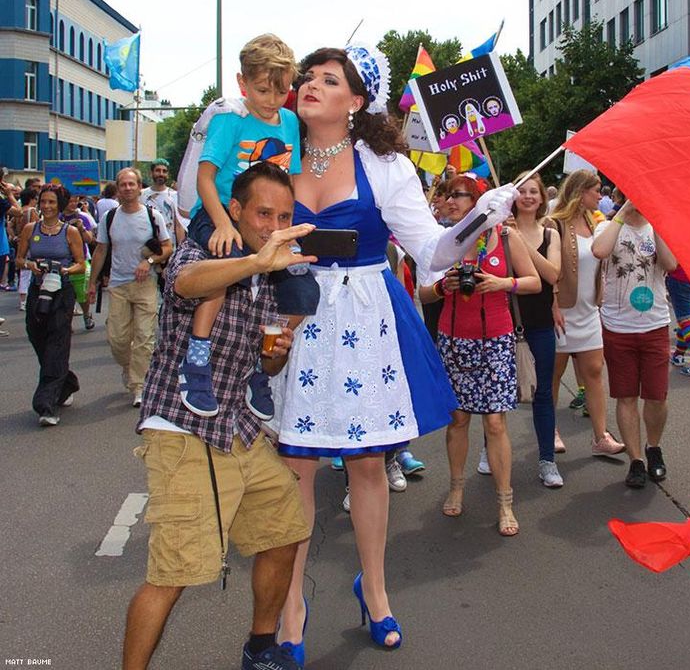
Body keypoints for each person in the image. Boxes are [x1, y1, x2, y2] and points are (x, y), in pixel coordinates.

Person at [201, 44, 515, 659]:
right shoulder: (271, 146)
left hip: (362, 320)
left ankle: (374, 590)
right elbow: (218, 210)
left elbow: (433, 253)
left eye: (328, 79)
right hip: (287, 316)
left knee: (368, 465)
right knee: (296, 468)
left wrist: (480, 217)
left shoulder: (385, 163)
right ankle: (290, 605)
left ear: (357, 100)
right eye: (309, 77)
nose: (311, 86)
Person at [123, 163, 314, 670]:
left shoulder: (277, 276)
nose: (274, 226)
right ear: (235, 211)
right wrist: (255, 261)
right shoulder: (209, 250)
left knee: (285, 531)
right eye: (263, 213)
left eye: (284, 216)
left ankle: (260, 646)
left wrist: (277, 351)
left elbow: (270, 359)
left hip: (241, 429)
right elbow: (186, 283)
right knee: (173, 574)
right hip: (184, 431)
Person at [181, 34, 304, 420]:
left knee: (304, 287)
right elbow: (205, 178)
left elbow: (291, 183)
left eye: (281, 91)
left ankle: (258, 365)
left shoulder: (289, 122)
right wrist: (221, 224)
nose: (271, 99)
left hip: (265, 224)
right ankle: (196, 358)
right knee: (226, 267)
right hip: (220, 214)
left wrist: (288, 233)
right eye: (263, 89)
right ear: (242, 83)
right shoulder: (230, 121)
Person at [419, 175, 540, 533]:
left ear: (479, 202)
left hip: (496, 339)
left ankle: (505, 502)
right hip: (454, 340)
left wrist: (503, 284)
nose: (450, 201)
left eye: (458, 195)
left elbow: (534, 280)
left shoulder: (504, 235)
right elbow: (425, 294)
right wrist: (444, 286)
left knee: (495, 422)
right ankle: (456, 489)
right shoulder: (444, 242)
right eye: (448, 195)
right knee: (458, 419)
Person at [592, 199, 678, 487]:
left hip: (654, 323)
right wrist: (622, 214)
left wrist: (659, 221)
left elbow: (670, 264)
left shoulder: (658, 227)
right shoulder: (608, 226)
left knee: (657, 396)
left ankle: (654, 448)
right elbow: (599, 251)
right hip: (618, 326)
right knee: (626, 395)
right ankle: (636, 459)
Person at [549, 169, 626, 457]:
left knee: (594, 372)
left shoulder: (596, 223)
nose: (600, 195)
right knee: (553, 376)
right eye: (595, 190)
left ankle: (600, 436)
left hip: (589, 310)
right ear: (581, 192)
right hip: (562, 312)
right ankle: (550, 430)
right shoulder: (554, 224)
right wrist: (553, 304)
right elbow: (549, 270)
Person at [87, 168, 173, 407]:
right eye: (123, 184)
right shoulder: (110, 218)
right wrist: (92, 283)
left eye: (131, 184)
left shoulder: (152, 216)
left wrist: (150, 262)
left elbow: (167, 247)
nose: (127, 188)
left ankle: (140, 386)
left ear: (139, 187)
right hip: (118, 284)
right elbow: (101, 250)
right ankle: (128, 367)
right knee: (118, 339)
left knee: (145, 337)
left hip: (146, 284)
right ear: (118, 188)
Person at [14, 184, 85, 425]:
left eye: (52, 202)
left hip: (61, 292)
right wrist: (30, 265)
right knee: (37, 336)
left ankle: (46, 405)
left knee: (57, 343)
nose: (46, 206)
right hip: (38, 289)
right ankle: (67, 382)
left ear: (60, 205)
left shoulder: (69, 232)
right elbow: (19, 258)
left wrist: (64, 269)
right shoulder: (29, 229)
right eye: (43, 201)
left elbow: (80, 263)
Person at [510, 171, 564, 487]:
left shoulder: (551, 233)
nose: (528, 196)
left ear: (542, 198)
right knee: (501, 393)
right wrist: (510, 236)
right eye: (522, 191)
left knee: (543, 393)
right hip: (507, 322)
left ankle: (547, 461)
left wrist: (520, 243)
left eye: (534, 191)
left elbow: (552, 274)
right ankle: (492, 452)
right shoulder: (500, 231)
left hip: (541, 323)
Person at [61, 193, 97, 330]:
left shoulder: (82, 217)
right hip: (63, 260)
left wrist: (81, 228)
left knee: (82, 294)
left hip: (79, 260)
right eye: (70, 201)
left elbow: (90, 239)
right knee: (64, 294)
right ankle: (66, 321)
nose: (73, 204)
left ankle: (86, 314)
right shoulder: (57, 218)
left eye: (75, 201)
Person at [141, 158, 186, 247]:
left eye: (164, 171)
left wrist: (181, 248)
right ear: (151, 173)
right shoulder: (141, 195)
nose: (161, 174)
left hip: (169, 247)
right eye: (158, 171)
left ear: (168, 175)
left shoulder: (175, 196)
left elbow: (179, 226)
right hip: (145, 246)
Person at [11, 186, 38, 311]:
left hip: (19, 242)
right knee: (32, 269)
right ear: (32, 199)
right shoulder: (32, 211)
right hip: (30, 243)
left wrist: (15, 236)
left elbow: (9, 225)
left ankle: (22, 300)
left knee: (23, 271)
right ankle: (30, 298)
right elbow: (35, 226)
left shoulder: (18, 211)